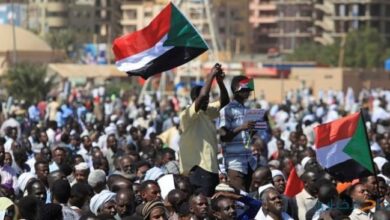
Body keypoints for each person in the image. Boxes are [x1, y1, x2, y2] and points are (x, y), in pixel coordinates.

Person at [179, 63, 229, 197]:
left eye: (208, 99)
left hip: (210, 168)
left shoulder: (208, 111)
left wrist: (220, 82)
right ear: (194, 100)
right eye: (204, 99)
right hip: (198, 169)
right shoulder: (187, 114)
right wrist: (211, 75)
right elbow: (202, 98)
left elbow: (224, 101)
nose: (207, 101)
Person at [219, 75, 271, 191]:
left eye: (248, 90)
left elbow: (246, 138)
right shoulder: (227, 110)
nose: (248, 93)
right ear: (237, 90)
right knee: (240, 199)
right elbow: (223, 137)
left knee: (249, 196)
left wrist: (252, 131)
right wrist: (242, 127)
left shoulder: (246, 109)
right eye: (245, 90)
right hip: (235, 165)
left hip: (249, 162)